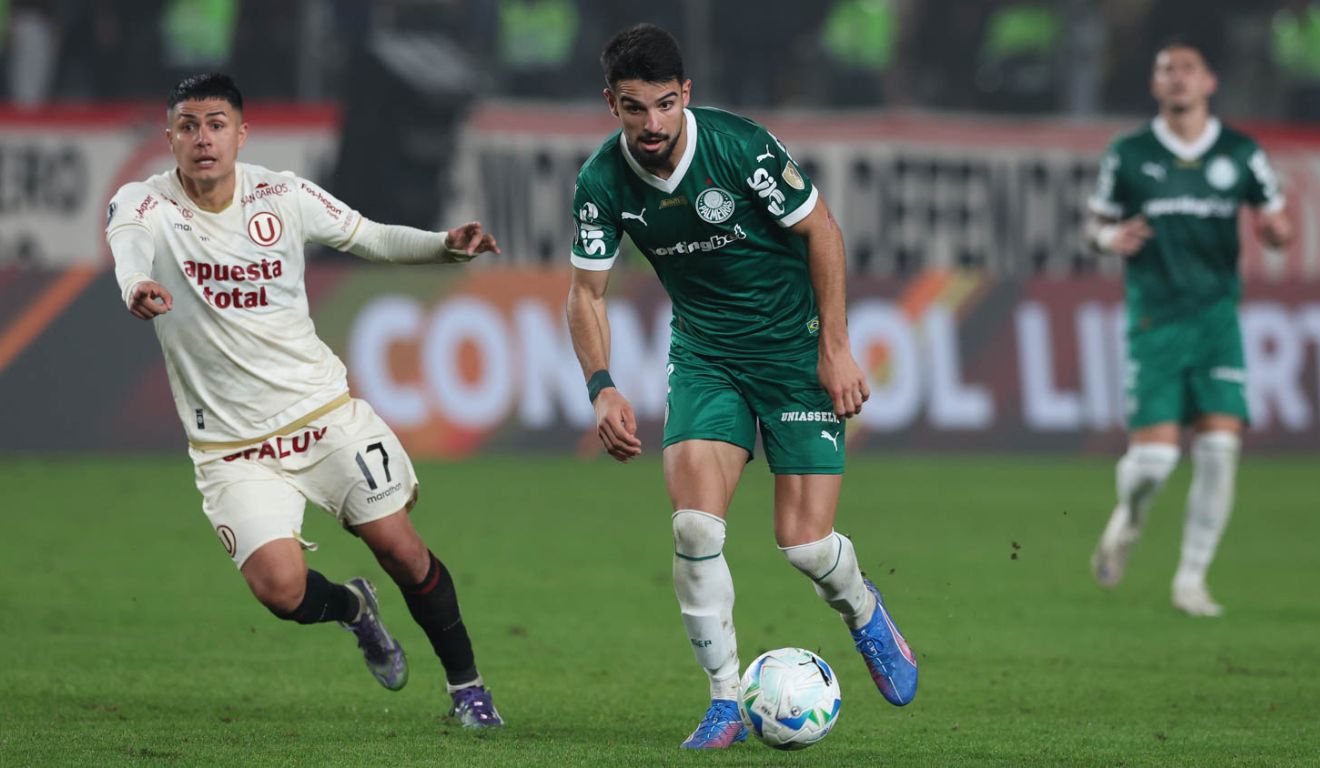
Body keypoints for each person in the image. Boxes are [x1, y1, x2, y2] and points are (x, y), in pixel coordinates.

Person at [106, 73, 504, 726]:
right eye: (188, 125)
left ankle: (468, 687)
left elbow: (370, 236)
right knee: (281, 590)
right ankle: (355, 611)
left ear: (241, 133)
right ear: (170, 136)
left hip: (321, 416)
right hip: (232, 447)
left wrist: (441, 247)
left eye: (215, 124)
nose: (203, 138)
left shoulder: (281, 196)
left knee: (400, 547)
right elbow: (129, 251)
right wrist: (135, 286)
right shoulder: (144, 204)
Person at [564, 24, 917, 749]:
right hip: (706, 355)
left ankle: (862, 610)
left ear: (686, 94)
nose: (653, 124)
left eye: (665, 104)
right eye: (635, 108)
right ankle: (725, 699)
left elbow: (822, 230)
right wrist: (601, 386)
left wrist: (836, 347)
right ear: (611, 104)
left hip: (793, 353)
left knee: (805, 545)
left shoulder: (740, 146)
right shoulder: (602, 180)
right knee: (694, 527)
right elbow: (586, 294)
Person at [1087, 40, 1293, 617]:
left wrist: (1277, 233)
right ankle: (1127, 519)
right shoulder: (1129, 154)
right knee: (1153, 465)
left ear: (1209, 83)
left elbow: (1275, 218)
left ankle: (1191, 579)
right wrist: (1108, 238)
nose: (1177, 79)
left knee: (1220, 449)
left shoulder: (1240, 152)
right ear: (1155, 86)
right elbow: (1095, 224)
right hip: (1155, 320)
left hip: (1216, 319)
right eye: (1166, 71)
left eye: (1187, 70)